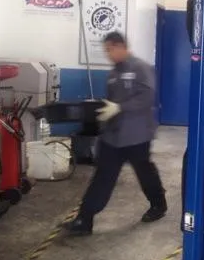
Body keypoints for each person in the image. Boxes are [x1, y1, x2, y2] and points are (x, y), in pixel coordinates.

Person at [64, 32, 167, 235]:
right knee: (102, 176)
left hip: (137, 135)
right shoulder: (113, 74)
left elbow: (147, 97)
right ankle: (85, 219)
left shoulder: (140, 68)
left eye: (110, 50)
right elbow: (111, 102)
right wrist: (103, 113)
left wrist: (120, 108)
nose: (108, 55)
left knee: (144, 171)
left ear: (121, 46)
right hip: (114, 136)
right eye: (106, 51)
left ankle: (158, 205)